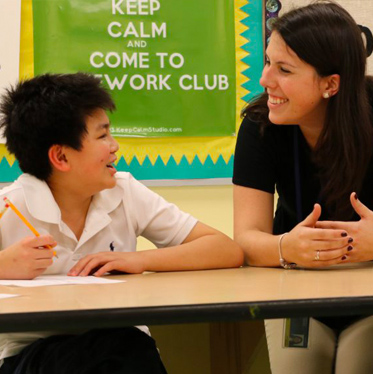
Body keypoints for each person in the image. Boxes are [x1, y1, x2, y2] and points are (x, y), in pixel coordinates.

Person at [0, 72, 244, 374]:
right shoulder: (10, 205)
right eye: (102, 136)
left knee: (125, 346)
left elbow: (225, 249)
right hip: (34, 355)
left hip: (120, 347)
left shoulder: (124, 190)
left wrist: (138, 259)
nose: (115, 146)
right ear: (60, 156)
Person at [233, 1, 373, 373]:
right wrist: (284, 246)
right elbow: (247, 237)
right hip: (298, 289)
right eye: (267, 62)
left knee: (356, 363)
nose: (265, 80)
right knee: (299, 364)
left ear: (331, 84)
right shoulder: (260, 125)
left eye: (284, 69)